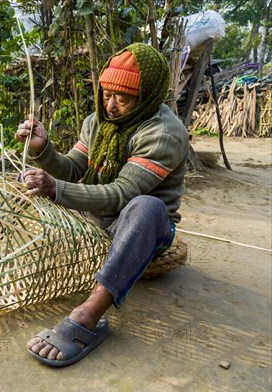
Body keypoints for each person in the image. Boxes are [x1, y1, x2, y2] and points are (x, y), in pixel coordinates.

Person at [15, 43, 189, 367]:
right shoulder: (99, 122)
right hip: (96, 214)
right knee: (28, 181)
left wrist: (56, 189)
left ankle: (88, 317)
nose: (109, 106)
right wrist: (44, 150)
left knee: (147, 206)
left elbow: (121, 195)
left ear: (147, 97)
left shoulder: (164, 133)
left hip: (137, 226)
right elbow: (73, 168)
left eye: (121, 99)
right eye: (106, 94)